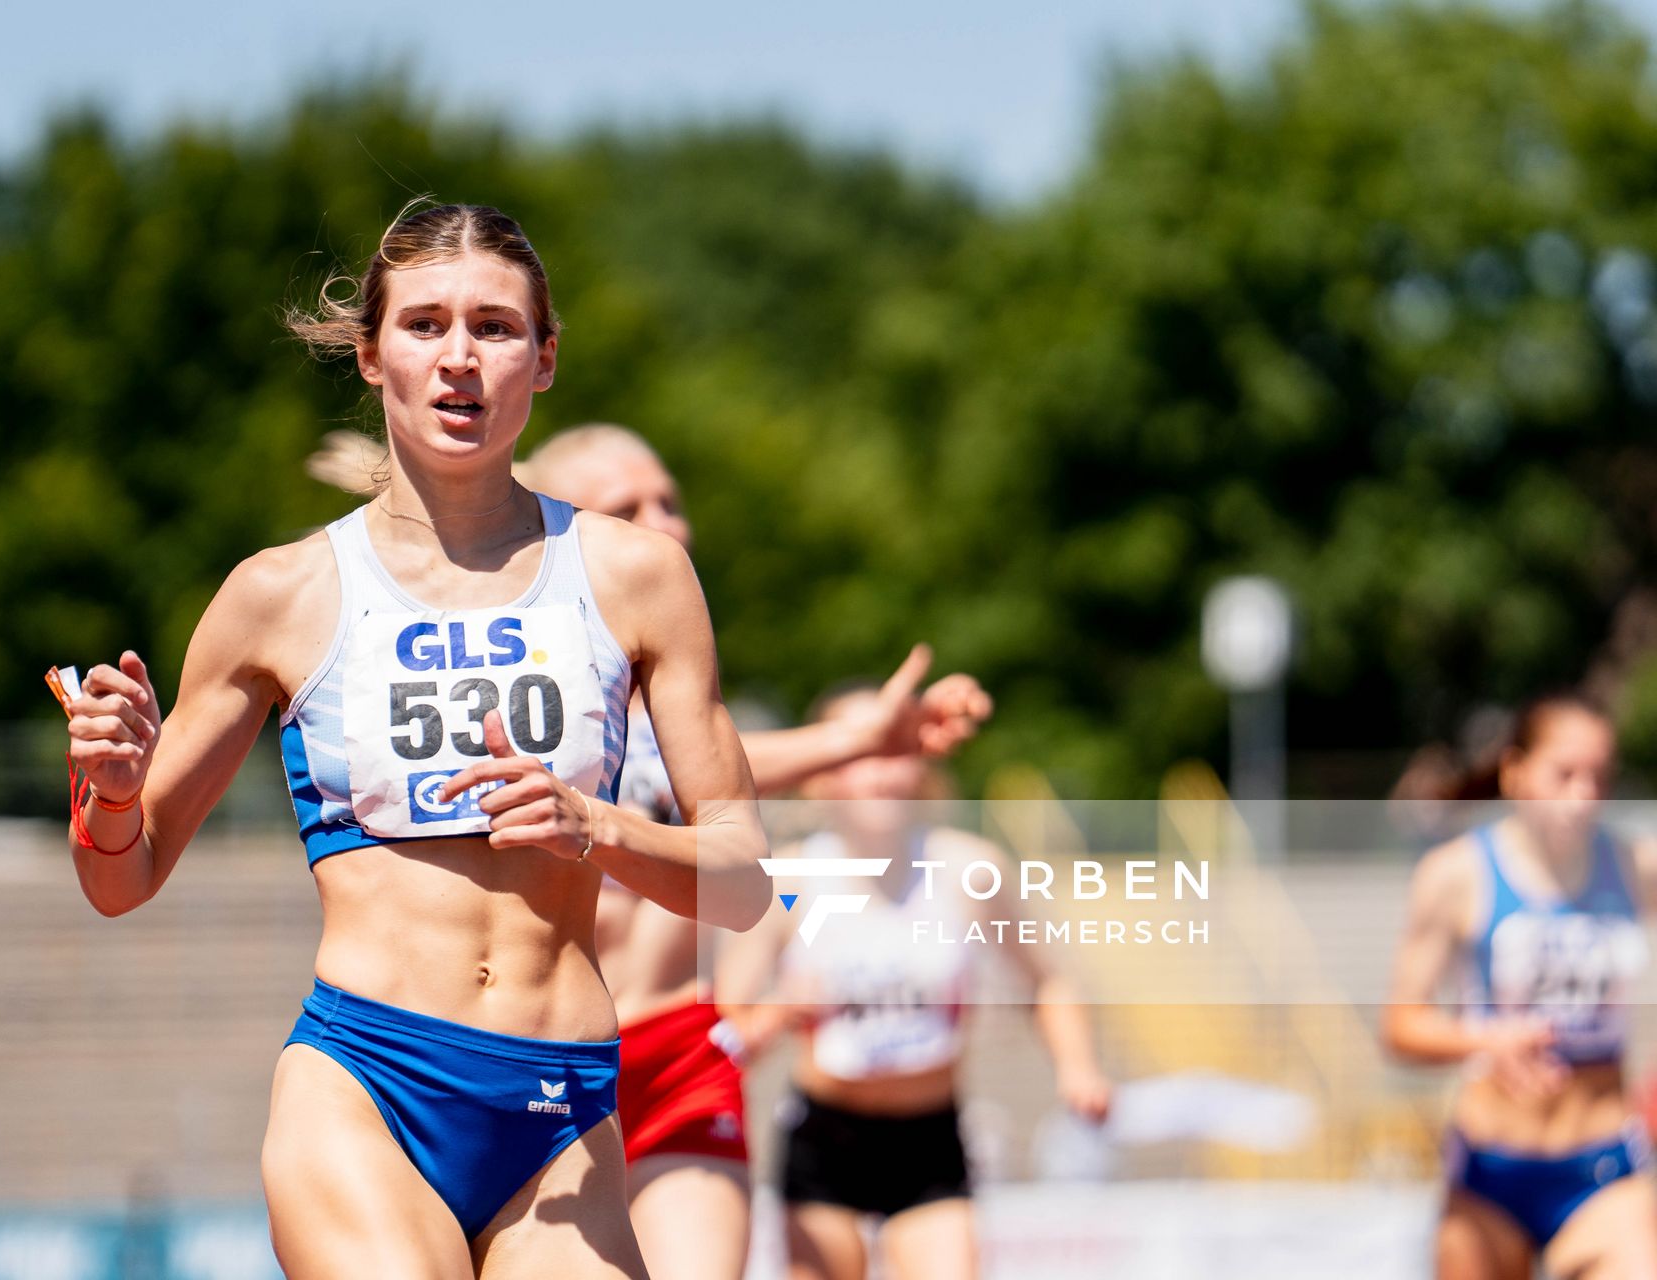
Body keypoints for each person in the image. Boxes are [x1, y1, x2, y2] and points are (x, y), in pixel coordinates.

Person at [61, 202, 770, 1279]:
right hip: (367, 1086)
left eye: (495, 327)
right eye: (425, 324)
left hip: (561, 1103)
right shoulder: (280, 593)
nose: (459, 357)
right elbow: (123, 878)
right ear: (370, 353)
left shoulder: (637, 576)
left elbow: (744, 878)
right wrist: (109, 791)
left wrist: (594, 824)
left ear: (545, 358)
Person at [512, 423, 993, 1280]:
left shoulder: (675, 688)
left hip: (679, 1054)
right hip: (543, 1065)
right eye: (629, 508)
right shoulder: (512, 683)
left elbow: (721, 774)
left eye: (670, 500)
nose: (668, 523)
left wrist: (865, 740)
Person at [718, 686, 1111, 1280]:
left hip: (931, 1140)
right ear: (821, 772)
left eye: (894, 752)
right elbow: (725, 1030)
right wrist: (779, 1010)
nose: (880, 774)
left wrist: (1078, 1067)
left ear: (921, 763)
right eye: (861, 754)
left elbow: (1048, 982)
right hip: (825, 1138)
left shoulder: (969, 869)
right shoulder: (787, 880)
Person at [1382, 693, 1657, 1280]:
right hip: (1491, 1175)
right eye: (1565, 774)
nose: (1583, 796)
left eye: (1599, 777)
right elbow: (1400, 1024)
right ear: (1515, 772)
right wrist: (1486, 1039)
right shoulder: (1456, 874)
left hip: (1603, 1170)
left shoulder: (1638, 867)